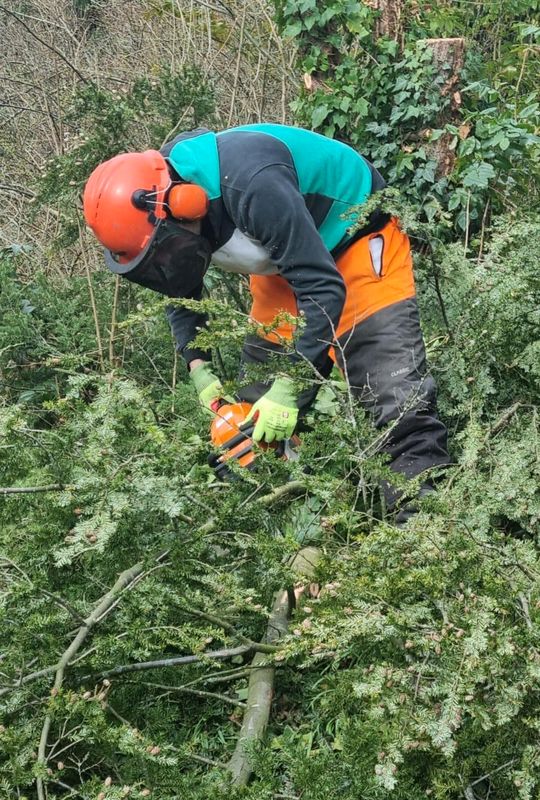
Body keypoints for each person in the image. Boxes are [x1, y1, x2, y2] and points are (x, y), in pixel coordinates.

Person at [83, 123, 450, 519]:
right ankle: (283, 546)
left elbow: (323, 289)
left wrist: (289, 388)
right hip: (286, 263)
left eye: (164, 247)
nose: (167, 258)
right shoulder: (166, 201)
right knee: (250, 420)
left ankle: (422, 535)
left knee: (395, 396)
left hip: (355, 237)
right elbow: (178, 284)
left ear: (185, 203)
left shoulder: (253, 184)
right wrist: (199, 368)